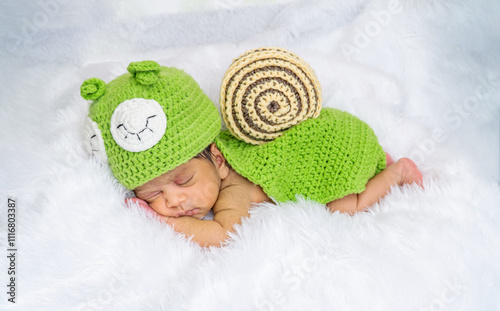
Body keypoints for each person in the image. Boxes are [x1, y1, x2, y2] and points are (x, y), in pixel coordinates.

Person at [81, 53, 422, 248]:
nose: (173, 201)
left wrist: (156, 219)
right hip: (338, 129)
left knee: (344, 209)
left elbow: (224, 234)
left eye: (183, 180)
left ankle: (396, 171)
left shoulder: (233, 189)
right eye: (153, 194)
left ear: (218, 159)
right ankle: (377, 160)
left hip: (336, 149)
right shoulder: (212, 167)